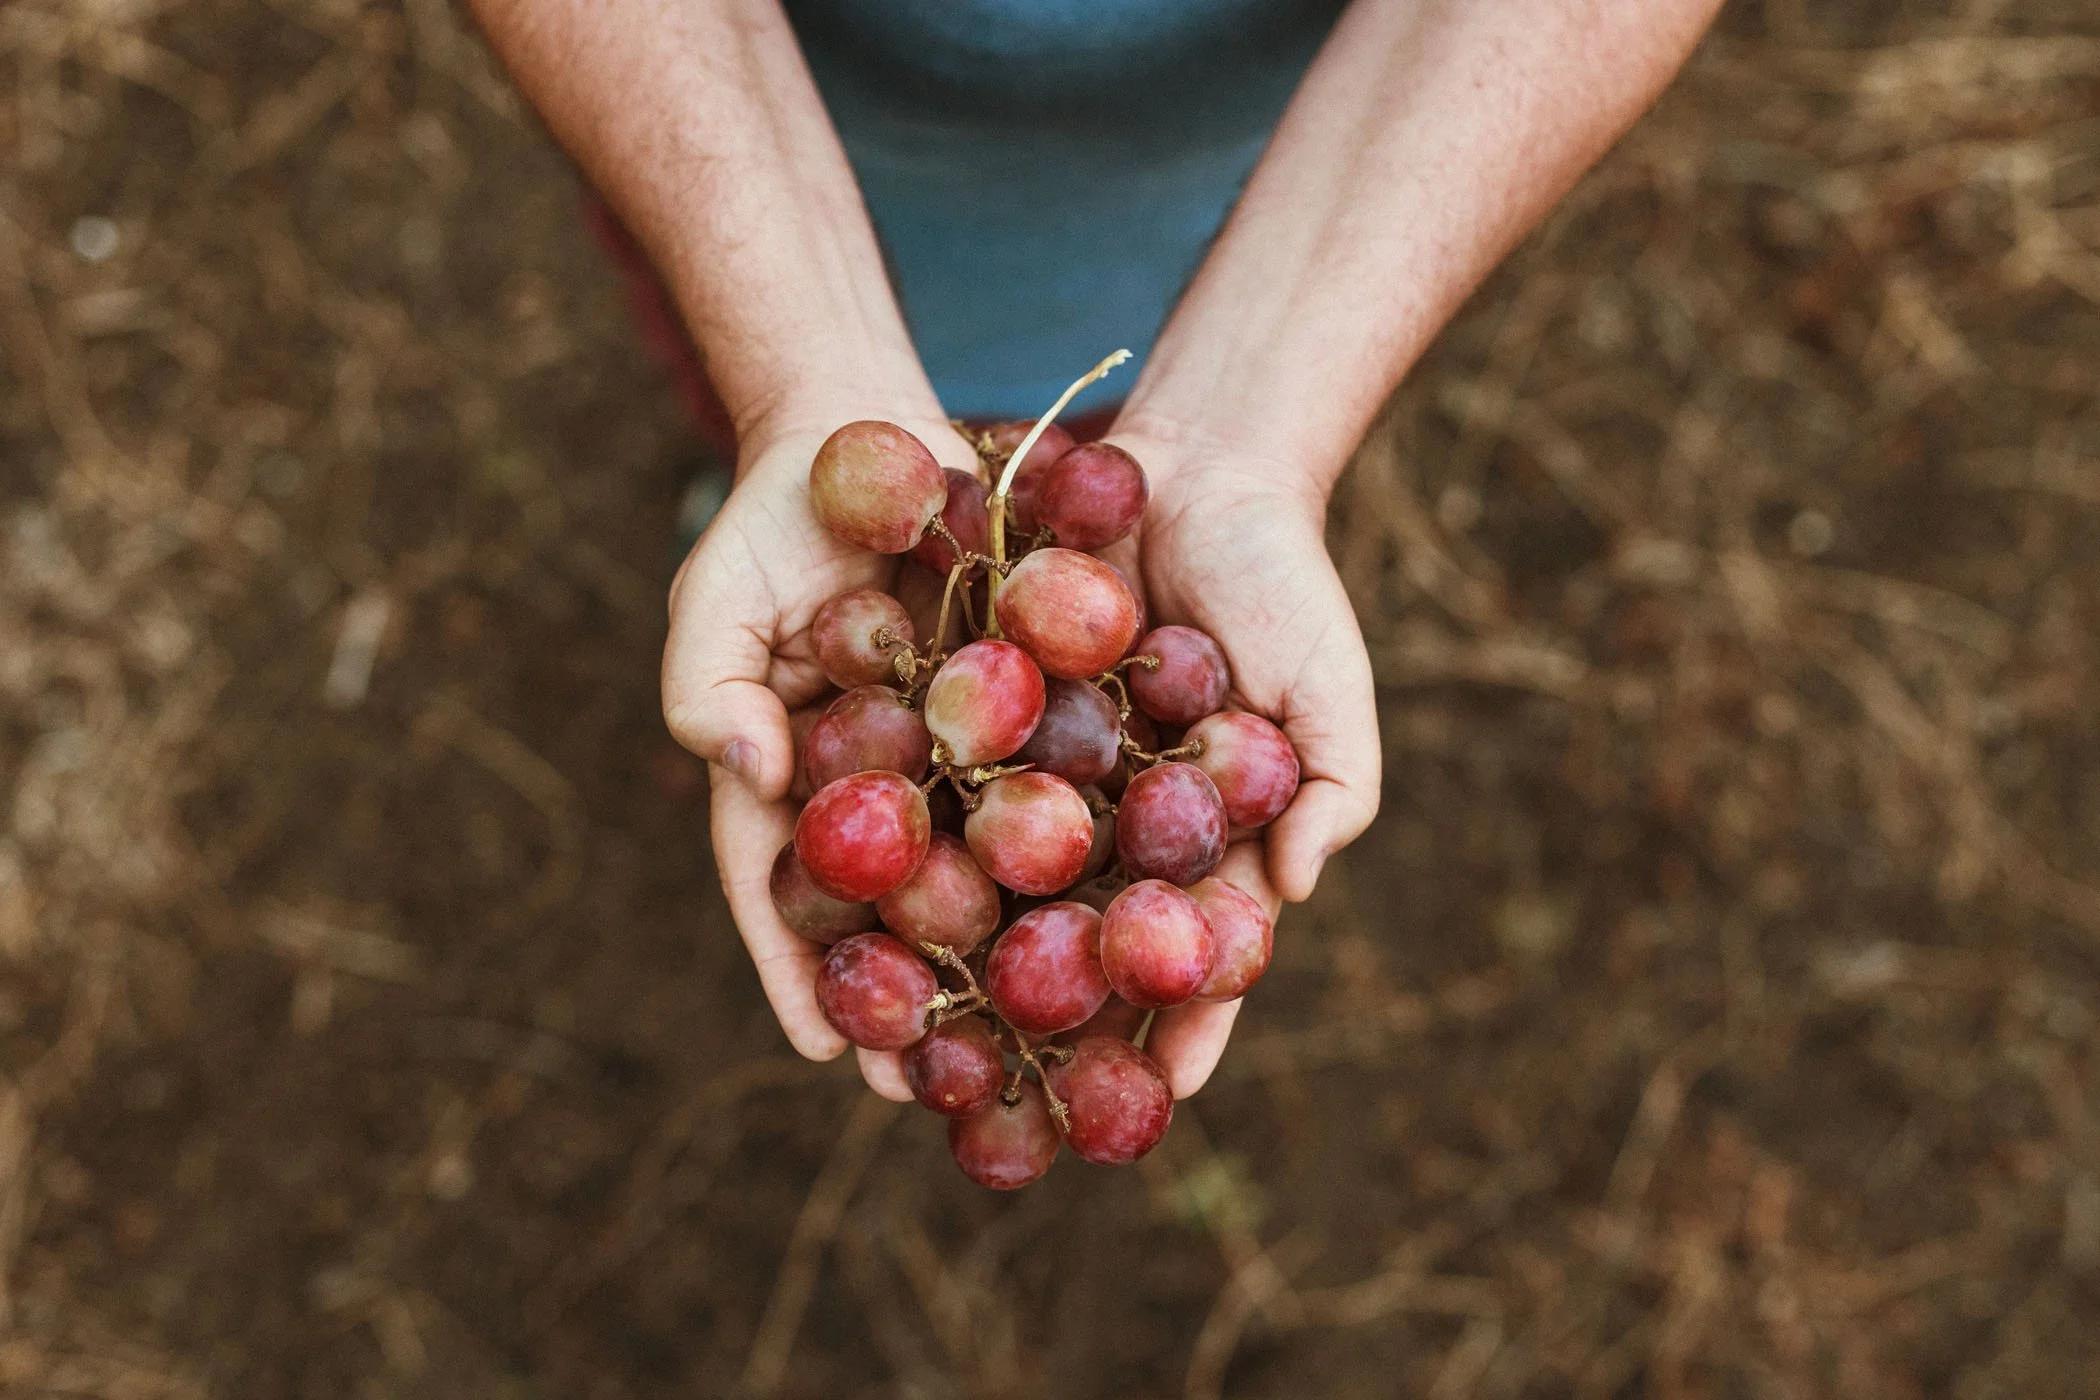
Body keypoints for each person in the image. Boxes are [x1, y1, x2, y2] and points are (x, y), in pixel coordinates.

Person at [465, 0, 1723, 1103]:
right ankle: (749, 467)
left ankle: (764, 482)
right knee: (787, 424)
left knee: (1102, 485)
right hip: (729, 136)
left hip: (1303, 172)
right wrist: (789, 371)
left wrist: (1257, 422)